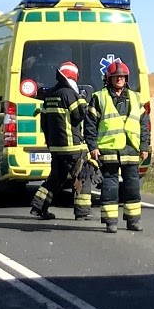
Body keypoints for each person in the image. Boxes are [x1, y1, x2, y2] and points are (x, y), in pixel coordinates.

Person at [84, 59, 150, 232]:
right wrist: (92, 147)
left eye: (122, 76)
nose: (119, 79)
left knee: (132, 186)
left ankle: (133, 220)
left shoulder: (135, 98)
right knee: (110, 186)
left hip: (131, 150)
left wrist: (144, 147)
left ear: (126, 78)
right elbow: (90, 124)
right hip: (109, 150)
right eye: (116, 76)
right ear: (109, 78)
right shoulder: (99, 97)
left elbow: (144, 124)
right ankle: (110, 221)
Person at [29, 62, 90, 219]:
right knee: (82, 176)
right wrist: (83, 99)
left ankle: (38, 206)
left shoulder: (49, 96)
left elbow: (44, 123)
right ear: (73, 77)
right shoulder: (70, 95)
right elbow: (79, 115)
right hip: (72, 147)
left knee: (56, 178)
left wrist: (50, 142)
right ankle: (82, 213)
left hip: (56, 148)